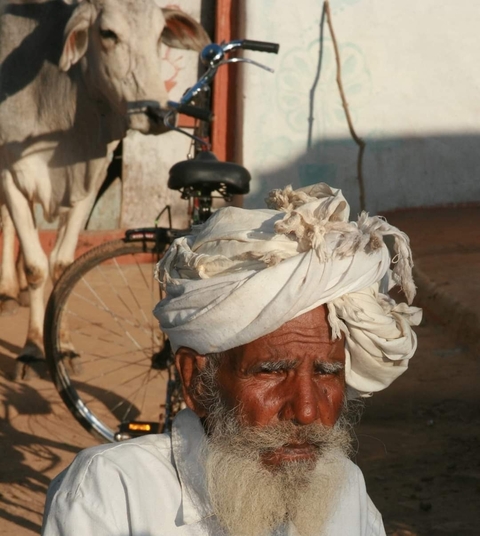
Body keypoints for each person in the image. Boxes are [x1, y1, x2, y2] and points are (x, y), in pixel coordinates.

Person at [42, 183, 422, 536]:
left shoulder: (346, 488)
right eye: (273, 372)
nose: (306, 410)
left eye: (326, 372)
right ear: (195, 380)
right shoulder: (113, 490)